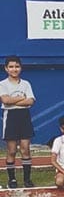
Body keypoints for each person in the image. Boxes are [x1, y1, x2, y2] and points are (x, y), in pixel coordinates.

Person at [1, 55, 35, 189]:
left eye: (16, 66)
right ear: (6, 68)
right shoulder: (2, 84)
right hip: (11, 117)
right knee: (12, 150)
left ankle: (27, 179)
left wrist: (14, 100)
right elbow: (5, 101)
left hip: (24, 116)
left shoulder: (26, 84)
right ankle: (12, 179)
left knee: (25, 148)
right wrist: (21, 98)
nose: (14, 69)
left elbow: (31, 101)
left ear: (20, 68)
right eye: (11, 67)